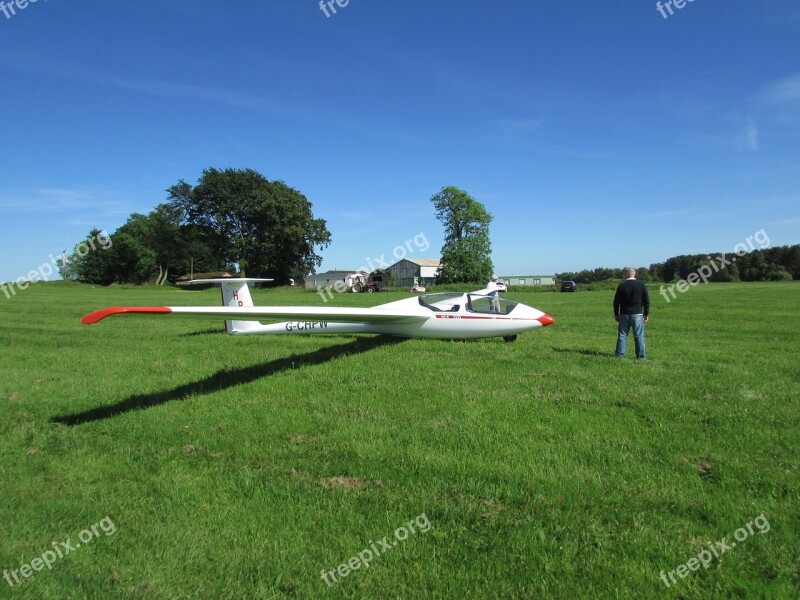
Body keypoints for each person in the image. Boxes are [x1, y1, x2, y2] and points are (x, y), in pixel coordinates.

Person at [613, 267, 650, 359]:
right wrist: (646, 313)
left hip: (624, 314)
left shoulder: (621, 285)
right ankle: (641, 357)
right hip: (637, 314)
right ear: (634, 274)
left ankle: (620, 355)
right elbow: (646, 301)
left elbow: (616, 302)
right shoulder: (641, 285)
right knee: (638, 336)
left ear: (626, 274)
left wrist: (616, 314)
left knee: (622, 335)